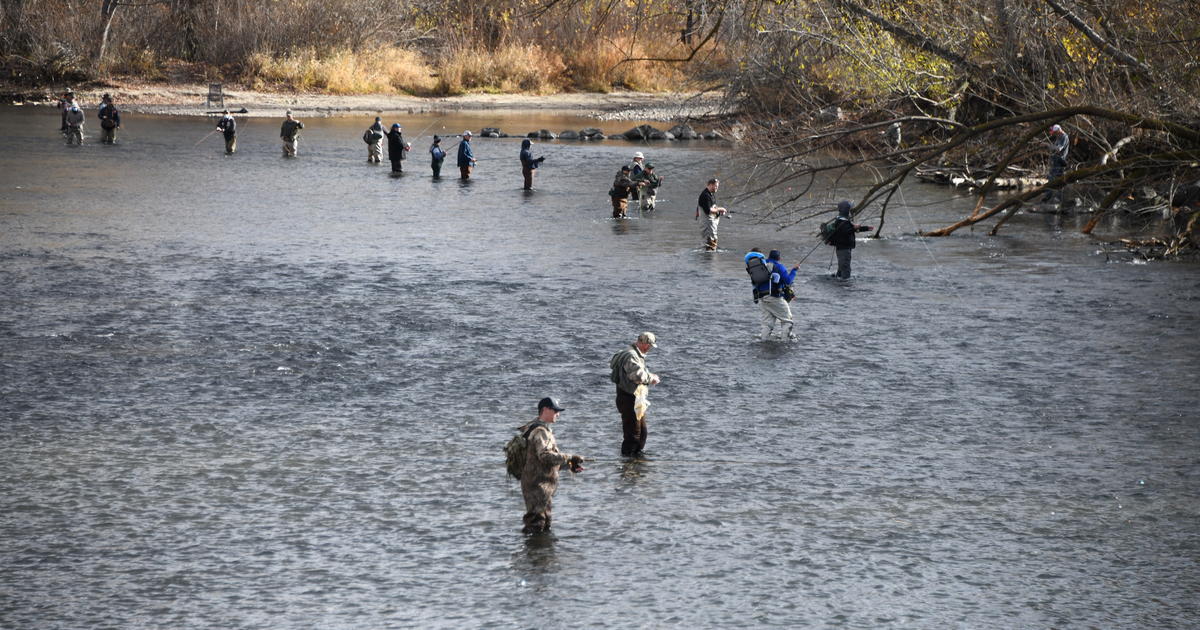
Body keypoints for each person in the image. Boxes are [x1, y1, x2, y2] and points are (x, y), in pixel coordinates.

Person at [518, 396, 585, 534]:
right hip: (537, 486)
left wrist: (570, 464)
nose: (558, 414)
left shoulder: (542, 430)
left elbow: (546, 460)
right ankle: (533, 553)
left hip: (542, 486)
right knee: (537, 523)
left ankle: (541, 554)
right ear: (545, 410)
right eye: (555, 410)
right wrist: (569, 457)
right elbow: (545, 456)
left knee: (545, 523)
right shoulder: (540, 432)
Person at [610, 332, 661, 457]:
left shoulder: (635, 354)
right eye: (649, 346)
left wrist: (650, 376)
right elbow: (637, 375)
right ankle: (628, 464)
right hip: (628, 399)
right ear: (644, 344)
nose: (649, 349)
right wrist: (651, 378)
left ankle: (637, 462)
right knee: (633, 435)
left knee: (642, 433)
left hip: (636, 399)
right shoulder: (631, 355)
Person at [747, 249, 799, 340]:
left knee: (767, 324)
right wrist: (794, 270)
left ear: (769, 256)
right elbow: (788, 281)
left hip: (762, 298)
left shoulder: (762, 265)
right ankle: (785, 343)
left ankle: (764, 342)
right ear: (779, 257)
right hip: (774, 297)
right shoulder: (779, 266)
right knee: (787, 320)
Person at [827, 200, 873, 279]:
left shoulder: (843, 220)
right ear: (846, 210)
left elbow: (852, 229)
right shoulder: (841, 222)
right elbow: (846, 231)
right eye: (849, 209)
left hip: (844, 248)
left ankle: (839, 282)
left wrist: (866, 228)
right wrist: (855, 227)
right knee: (846, 268)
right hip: (843, 248)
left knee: (842, 267)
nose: (850, 210)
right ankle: (845, 286)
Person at [696, 178, 728, 251]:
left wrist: (719, 213)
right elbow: (709, 210)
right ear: (710, 185)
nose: (717, 188)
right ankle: (708, 258)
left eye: (717, 186)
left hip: (712, 223)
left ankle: (712, 255)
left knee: (713, 239)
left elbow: (713, 207)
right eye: (716, 186)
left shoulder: (711, 194)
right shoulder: (705, 195)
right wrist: (720, 209)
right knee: (709, 240)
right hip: (707, 224)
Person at [1042, 124, 1070, 203]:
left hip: (1059, 161)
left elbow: (1058, 149)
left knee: (1051, 178)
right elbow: (1055, 148)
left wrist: (1048, 145)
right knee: (1059, 180)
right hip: (1056, 160)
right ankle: (1058, 199)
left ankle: (1047, 198)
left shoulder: (1064, 137)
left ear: (1058, 130)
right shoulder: (1059, 137)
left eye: (1055, 132)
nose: (1054, 134)